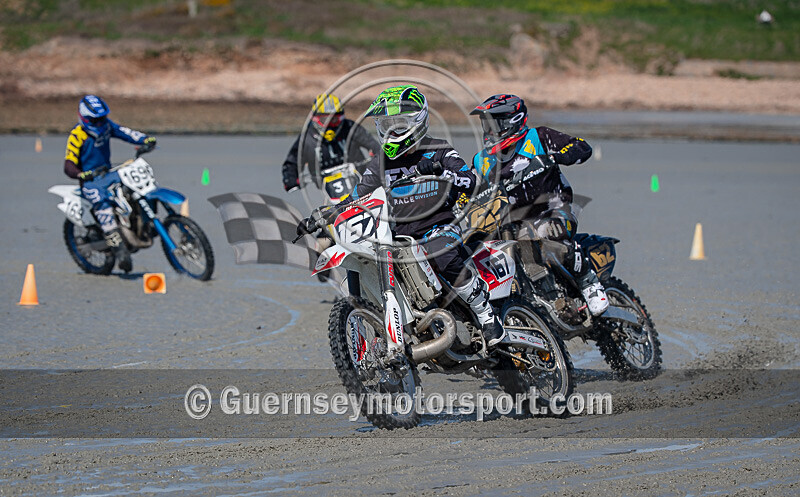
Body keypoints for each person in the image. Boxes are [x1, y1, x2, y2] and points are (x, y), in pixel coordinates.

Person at [301, 85, 507, 348]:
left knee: (440, 254)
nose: (393, 131)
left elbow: (469, 179)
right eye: (387, 124)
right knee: (368, 260)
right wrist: (323, 215)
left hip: (440, 225)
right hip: (397, 234)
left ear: (418, 121)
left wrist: (440, 172)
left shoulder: (439, 149)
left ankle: (486, 315)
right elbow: (356, 196)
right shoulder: (379, 164)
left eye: (401, 124)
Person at [470, 94, 608, 315]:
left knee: (546, 231)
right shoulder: (482, 160)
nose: (489, 129)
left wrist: (556, 157)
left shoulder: (539, 138)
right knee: (479, 247)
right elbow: (469, 187)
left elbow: (582, 147)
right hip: (512, 222)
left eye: (495, 123)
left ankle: (589, 283)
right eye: (486, 123)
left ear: (511, 121)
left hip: (556, 209)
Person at [63, 95, 156, 273]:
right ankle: (119, 250)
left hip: (108, 172)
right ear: (84, 118)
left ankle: (143, 224)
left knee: (134, 188)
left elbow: (125, 132)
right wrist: (81, 174)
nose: (99, 123)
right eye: (95, 120)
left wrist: (145, 139)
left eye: (102, 119)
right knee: (103, 206)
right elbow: (68, 165)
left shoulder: (107, 125)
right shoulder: (77, 136)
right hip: (91, 181)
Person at [281, 93, 379, 194]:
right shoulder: (307, 138)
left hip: (359, 182)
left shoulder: (350, 128)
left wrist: (376, 156)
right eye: (325, 120)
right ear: (315, 119)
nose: (330, 125)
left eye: (334, 120)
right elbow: (292, 163)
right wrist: (291, 179)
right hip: (324, 192)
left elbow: (374, 145)